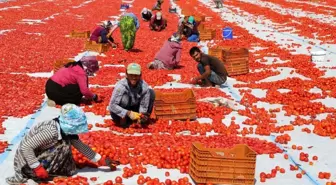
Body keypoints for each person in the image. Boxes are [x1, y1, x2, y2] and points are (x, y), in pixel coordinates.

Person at [6, 104, 120, 185]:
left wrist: (100, 160)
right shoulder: (51, 131)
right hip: (26, 161)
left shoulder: (64, 129)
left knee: (66, 145)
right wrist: (37, 167)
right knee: (64, 145)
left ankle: (47, 169)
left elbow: (79, 145)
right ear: (70, 125)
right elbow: (26, 147)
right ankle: (29, 173)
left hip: (36, 154)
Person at [108, 63, 155, 128]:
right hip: (120, 114)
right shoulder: (121, 86)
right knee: (125, 97)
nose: (133, 77)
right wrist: (128, 113)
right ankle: (123, 121)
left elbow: (144, 105)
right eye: (131, 75)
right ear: (126, 74)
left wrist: (141, 115)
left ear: (140, 75)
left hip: (135, 111)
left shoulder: (144, 86)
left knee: (151, 92)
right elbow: (112, 105)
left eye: (136, 75)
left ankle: (140, 121)